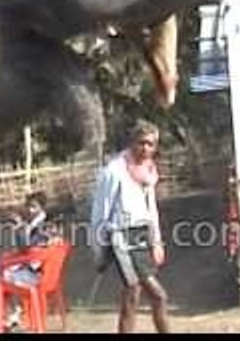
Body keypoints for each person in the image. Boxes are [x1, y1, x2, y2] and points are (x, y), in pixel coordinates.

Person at [90, 119, 170, 333]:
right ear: (132, 142)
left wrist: (157, 242)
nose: (145, 148)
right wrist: (99, 250)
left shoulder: (149, 170)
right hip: (121, 236)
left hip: (141, 234)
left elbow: (151, 209)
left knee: (131, 297)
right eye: (141, 143)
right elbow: (100, 211)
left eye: (150, 144)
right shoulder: (114, 170)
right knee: (157, 295)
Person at [0, 191, 53, 329]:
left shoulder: (42, 226)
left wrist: (19, 230)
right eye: (28, 206)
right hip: (42, 272)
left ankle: (7, 315)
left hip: (34, 275)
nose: (30, 210)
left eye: (33, 207)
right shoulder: (39, 222)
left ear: (42, 207)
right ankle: (13, 312)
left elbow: (27, 249)